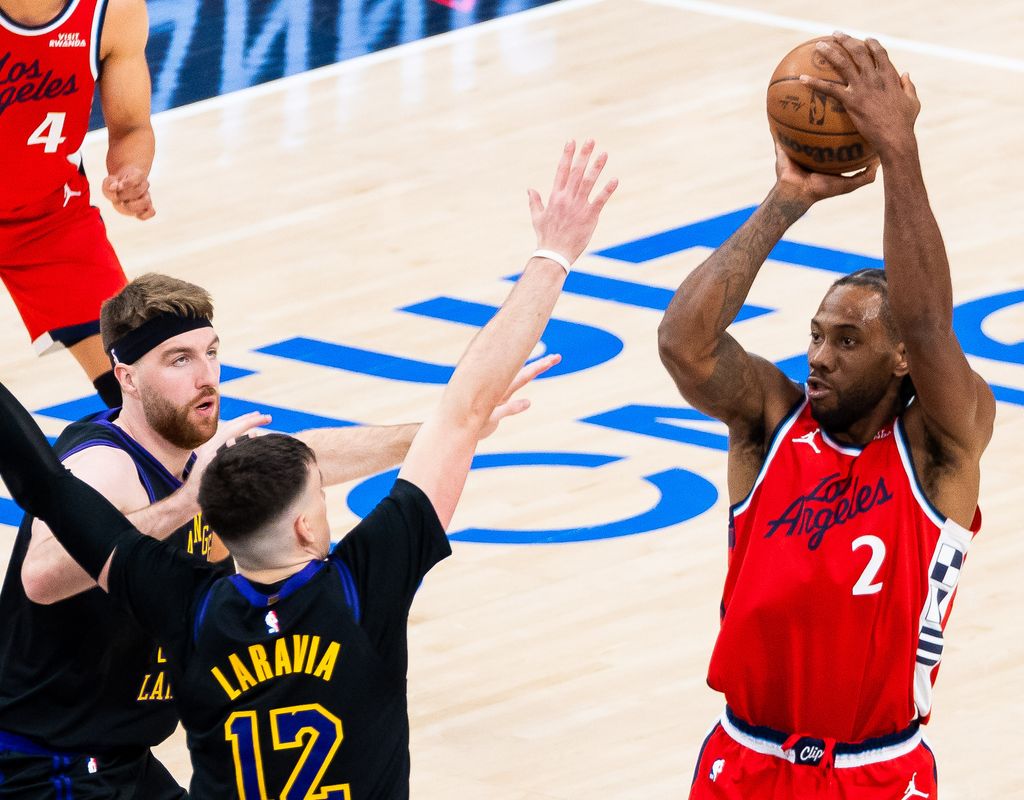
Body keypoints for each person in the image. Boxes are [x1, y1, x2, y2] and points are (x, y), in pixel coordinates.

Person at [0, 139, 618, 798]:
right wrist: (453, 430)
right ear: (123, 373)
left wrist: (427, 436)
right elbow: (42, 571)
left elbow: (299, 461)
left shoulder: (197, 525)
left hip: (120, 752)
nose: (207, 376)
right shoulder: (108, 465)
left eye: (211, 353)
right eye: (178, 360)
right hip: (50, 761)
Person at [658, 34, 995, 799]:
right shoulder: (771, 424)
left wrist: (898, 155)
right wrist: (787, 199)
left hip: (874, 771)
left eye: (847, 340)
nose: (819, 356)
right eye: (815, 334)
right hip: (742, 759)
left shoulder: (940, 447)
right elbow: (683, 343)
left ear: (901, 358)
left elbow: (930, 323)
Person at [1, 0, 156, 407]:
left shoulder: (112, 12)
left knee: (143, 389)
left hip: (49, 219)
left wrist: (130, 173)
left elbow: (132, 127)